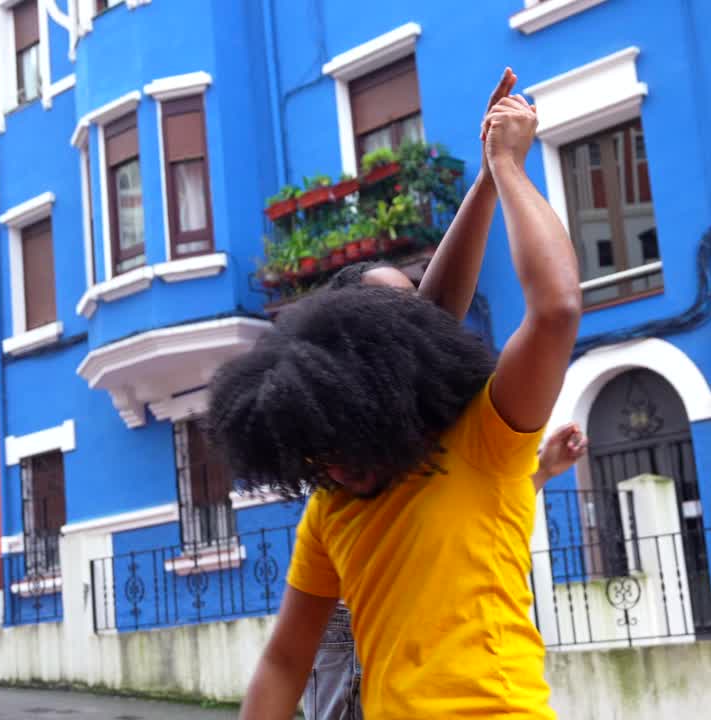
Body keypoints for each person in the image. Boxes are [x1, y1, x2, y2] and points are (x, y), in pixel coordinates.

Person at [209, 67, 580, 718]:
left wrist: (506, 170)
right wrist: (489, 179)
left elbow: (553, 310)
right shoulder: (329, 512)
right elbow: (283, 661)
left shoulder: (479, 436)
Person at [301, 423, 588, 720]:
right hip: (358, 623)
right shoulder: (345, 491)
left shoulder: (436, 449)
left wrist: (543, 469)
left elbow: (470, 514)